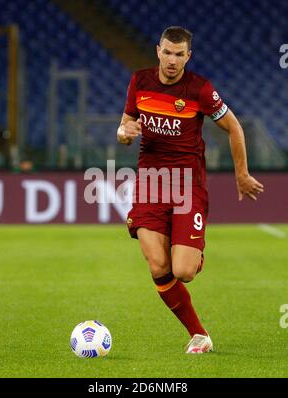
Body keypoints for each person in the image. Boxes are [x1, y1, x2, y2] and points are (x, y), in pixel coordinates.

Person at [117, 26, 264, 354]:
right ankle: (199, 334)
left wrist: (242, 173)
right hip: (150, 184)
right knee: (157, 264)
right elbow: (125, 128)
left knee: (183, 271)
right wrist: (125, 133)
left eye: (179, 54)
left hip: (188, 186)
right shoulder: (140, 81)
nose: (172, 60)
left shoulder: (200, 89)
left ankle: (194, 252)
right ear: (158, 51)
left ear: (188, 56)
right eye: (167, 52)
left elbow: (234, 127)